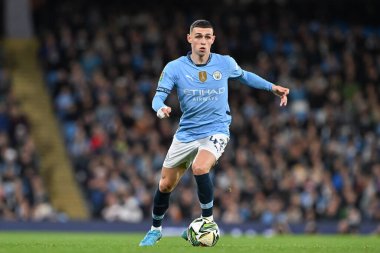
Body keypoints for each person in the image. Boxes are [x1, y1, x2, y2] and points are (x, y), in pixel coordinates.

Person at [139, 19, 290, 246]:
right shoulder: (175, 67)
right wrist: (160, 107)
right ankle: (155, 229)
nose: (202, 41)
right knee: (165, 185)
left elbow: (245, 76)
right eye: (198, 36)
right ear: (189, 38)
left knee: (200, 167)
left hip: (216, 130)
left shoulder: (224, 63)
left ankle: (207, 221)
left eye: (207, 37)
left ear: (213, 40)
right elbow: (158, 96)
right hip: (187, 133)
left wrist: (272, 87)